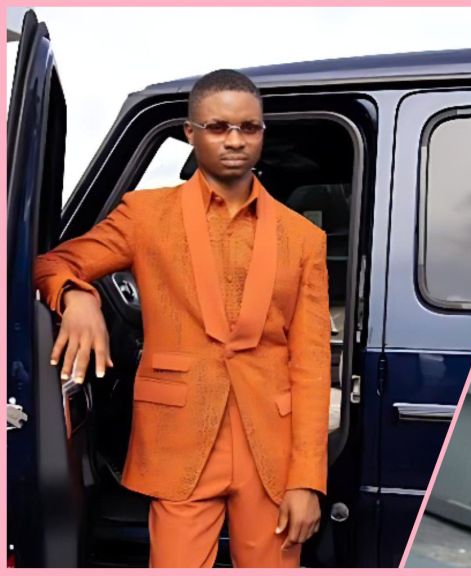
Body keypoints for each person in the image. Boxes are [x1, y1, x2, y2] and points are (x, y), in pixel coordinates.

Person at [33, 69, 331, 568]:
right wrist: (78, 299)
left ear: (261, 133)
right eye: (218, 127)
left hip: (273, 448)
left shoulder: (304, 238)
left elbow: (312, 362)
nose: (235, 140)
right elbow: (54, 263)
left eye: (248, 128)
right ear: (191, 134)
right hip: (180, 439)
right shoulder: (145, 214)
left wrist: (307, 479)